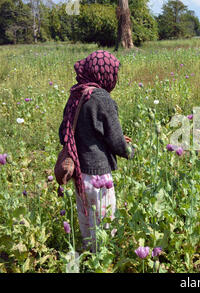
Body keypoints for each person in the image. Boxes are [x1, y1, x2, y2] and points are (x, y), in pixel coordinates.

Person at [58, 50, 134, 252]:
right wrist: (129, 151)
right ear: (106, 74)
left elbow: (63, 133)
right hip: (98, 175)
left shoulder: (76, 95)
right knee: (104, 224)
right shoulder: (102, 98)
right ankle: (101, 260)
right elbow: (117, 141)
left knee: (86, 221)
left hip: (78, 173)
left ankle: (88, 256)